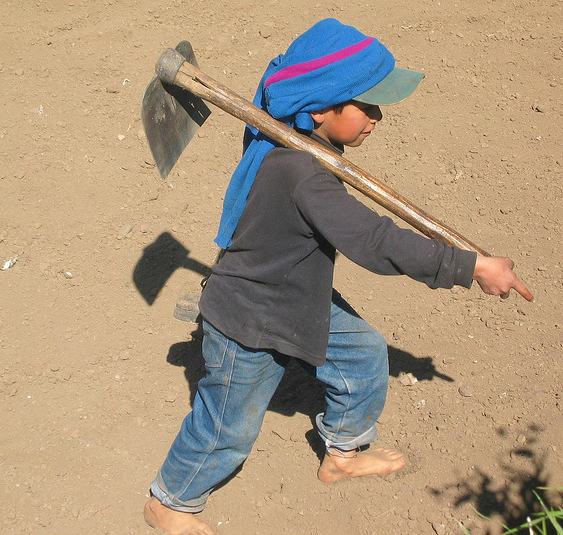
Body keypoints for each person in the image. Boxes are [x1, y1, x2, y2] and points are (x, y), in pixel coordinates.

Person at [143, 18, 533, 535]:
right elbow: (375, 242)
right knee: (226, 426)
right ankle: (169, 500)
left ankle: (342, 454)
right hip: (249, 322)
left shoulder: (291, 142)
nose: (378, 117)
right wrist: (472, 266)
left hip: (297, 299)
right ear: (322, 110)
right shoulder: (301, 174)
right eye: (367, 106)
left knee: (363, 354)